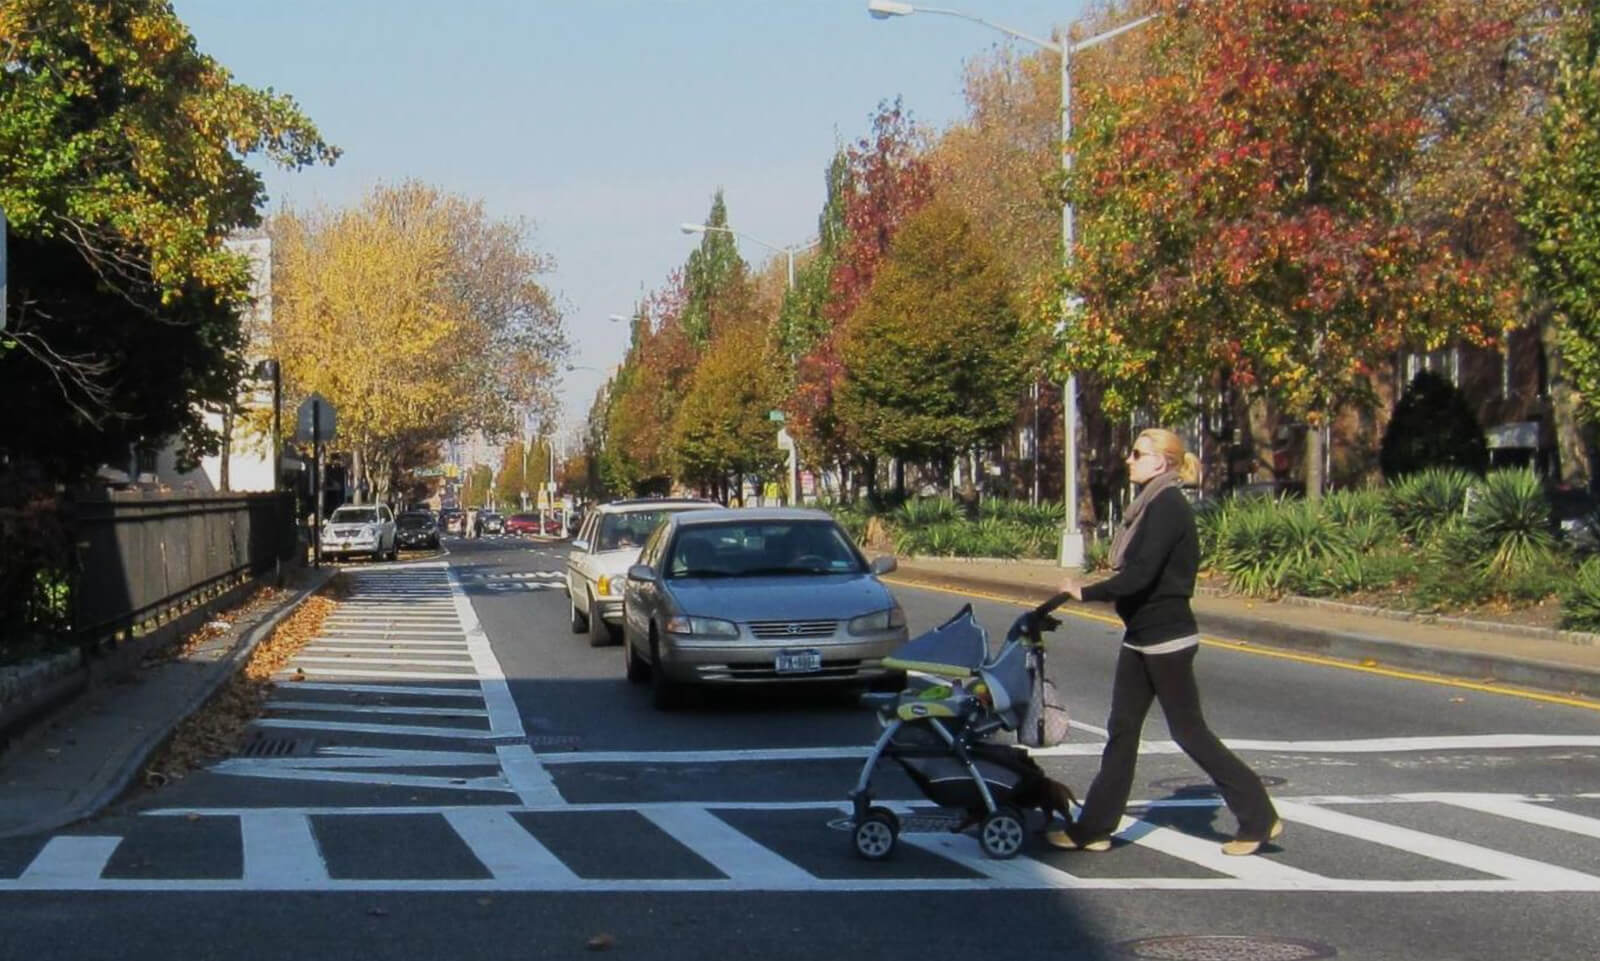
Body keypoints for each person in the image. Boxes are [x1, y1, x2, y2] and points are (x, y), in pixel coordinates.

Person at [1049, 428, 1282, 857]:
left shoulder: (1168, 507)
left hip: (1166, 638)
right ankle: (1094, 828)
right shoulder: (1149, 506)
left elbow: (1141, 575)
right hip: (1142, 636)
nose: (1129, 460)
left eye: (1138, 454)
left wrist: (1086, 591)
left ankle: (1258, 815)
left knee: (1189, 732)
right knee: (1121, 732)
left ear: (1161, 463)